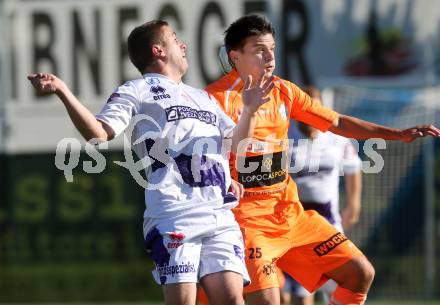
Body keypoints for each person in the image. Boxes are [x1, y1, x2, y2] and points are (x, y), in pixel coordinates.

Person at [27, 19, 275, 305]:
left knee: (233, 300)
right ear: (158, 50)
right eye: (175, 38)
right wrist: (63, 90)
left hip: (219, 214)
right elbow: (98, 134)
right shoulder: (137, 90)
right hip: (174, 214)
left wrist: (251, 110)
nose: (183, 44)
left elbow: (238, 145)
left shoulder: (203, 98)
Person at [203, 15, 439, 305]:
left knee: (360, 274)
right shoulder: (213, 100)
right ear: (234, 56)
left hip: (292, 216)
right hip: (248, 224)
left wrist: (397, 134)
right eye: (259, 49)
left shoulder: (284, 91)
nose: (269, 56)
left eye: (272, 48)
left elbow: (337, 121)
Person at [280, 86, 363, 305]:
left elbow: (353, 167)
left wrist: (353, 205)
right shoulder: (283, 136)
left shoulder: (336, 139)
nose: (310, 113)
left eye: (315, 107)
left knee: (341, 282)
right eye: (305, 108)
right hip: (293, 220)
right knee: (289, 293)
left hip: (328, 219)